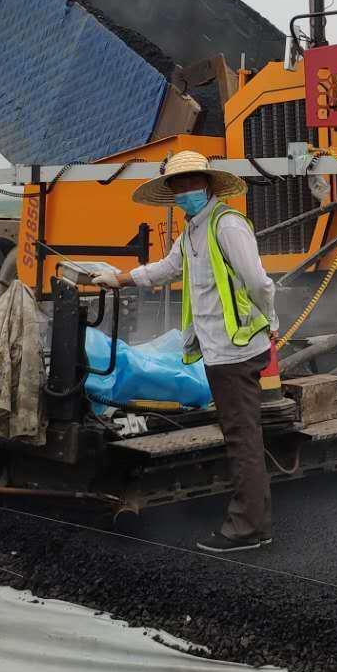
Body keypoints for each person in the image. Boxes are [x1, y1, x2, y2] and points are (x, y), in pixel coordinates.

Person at [94, 151, 278, 553]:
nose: (185, 190)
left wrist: (271, 321)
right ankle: (253, 522)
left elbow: (258, 282)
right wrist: (119, 278)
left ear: (207, 184)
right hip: (217, 350)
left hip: (236, 350)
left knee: (242, 438)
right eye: (178, 185)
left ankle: (248, 528)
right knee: (238, 435)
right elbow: (165, 269)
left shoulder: (227, 225)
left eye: (192, 182)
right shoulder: (193, 231)